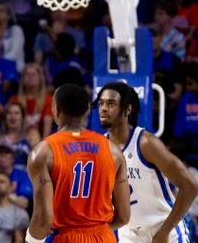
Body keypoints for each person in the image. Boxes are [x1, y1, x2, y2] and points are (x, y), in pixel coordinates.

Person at [26, 84, 131, 243]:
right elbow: (123, 216)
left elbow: (44, 219)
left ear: (56, 110)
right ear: (88, 109)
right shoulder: (114, 151)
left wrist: (29, 241)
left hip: (65, 237)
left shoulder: (43, 153)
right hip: (103, 236)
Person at [97, 82, 198, 242]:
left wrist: (164, 231)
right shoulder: (99, 147)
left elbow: (190, 186)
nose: (103, 108)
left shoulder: (145, 143)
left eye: (111, 104)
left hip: (164, 228)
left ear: (127, 109)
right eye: (101, 103)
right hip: (129, 233)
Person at [0, 102, 40, 171]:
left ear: (22, 117)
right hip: (3, 177)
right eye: (9, 113)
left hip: (26, 176)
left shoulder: (32, 133)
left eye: (16, 113)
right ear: (5, 117)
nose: (13, 116)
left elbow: (37, 160)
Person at [9, 63, 53, 138]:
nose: (30, 77)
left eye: (33, 74)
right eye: (27, 74)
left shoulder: (48, 99)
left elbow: (47, 127)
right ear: (22, 79)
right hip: (18, 138)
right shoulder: (14, 100)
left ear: (40, 78)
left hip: (40, 140)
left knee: (33, 133)